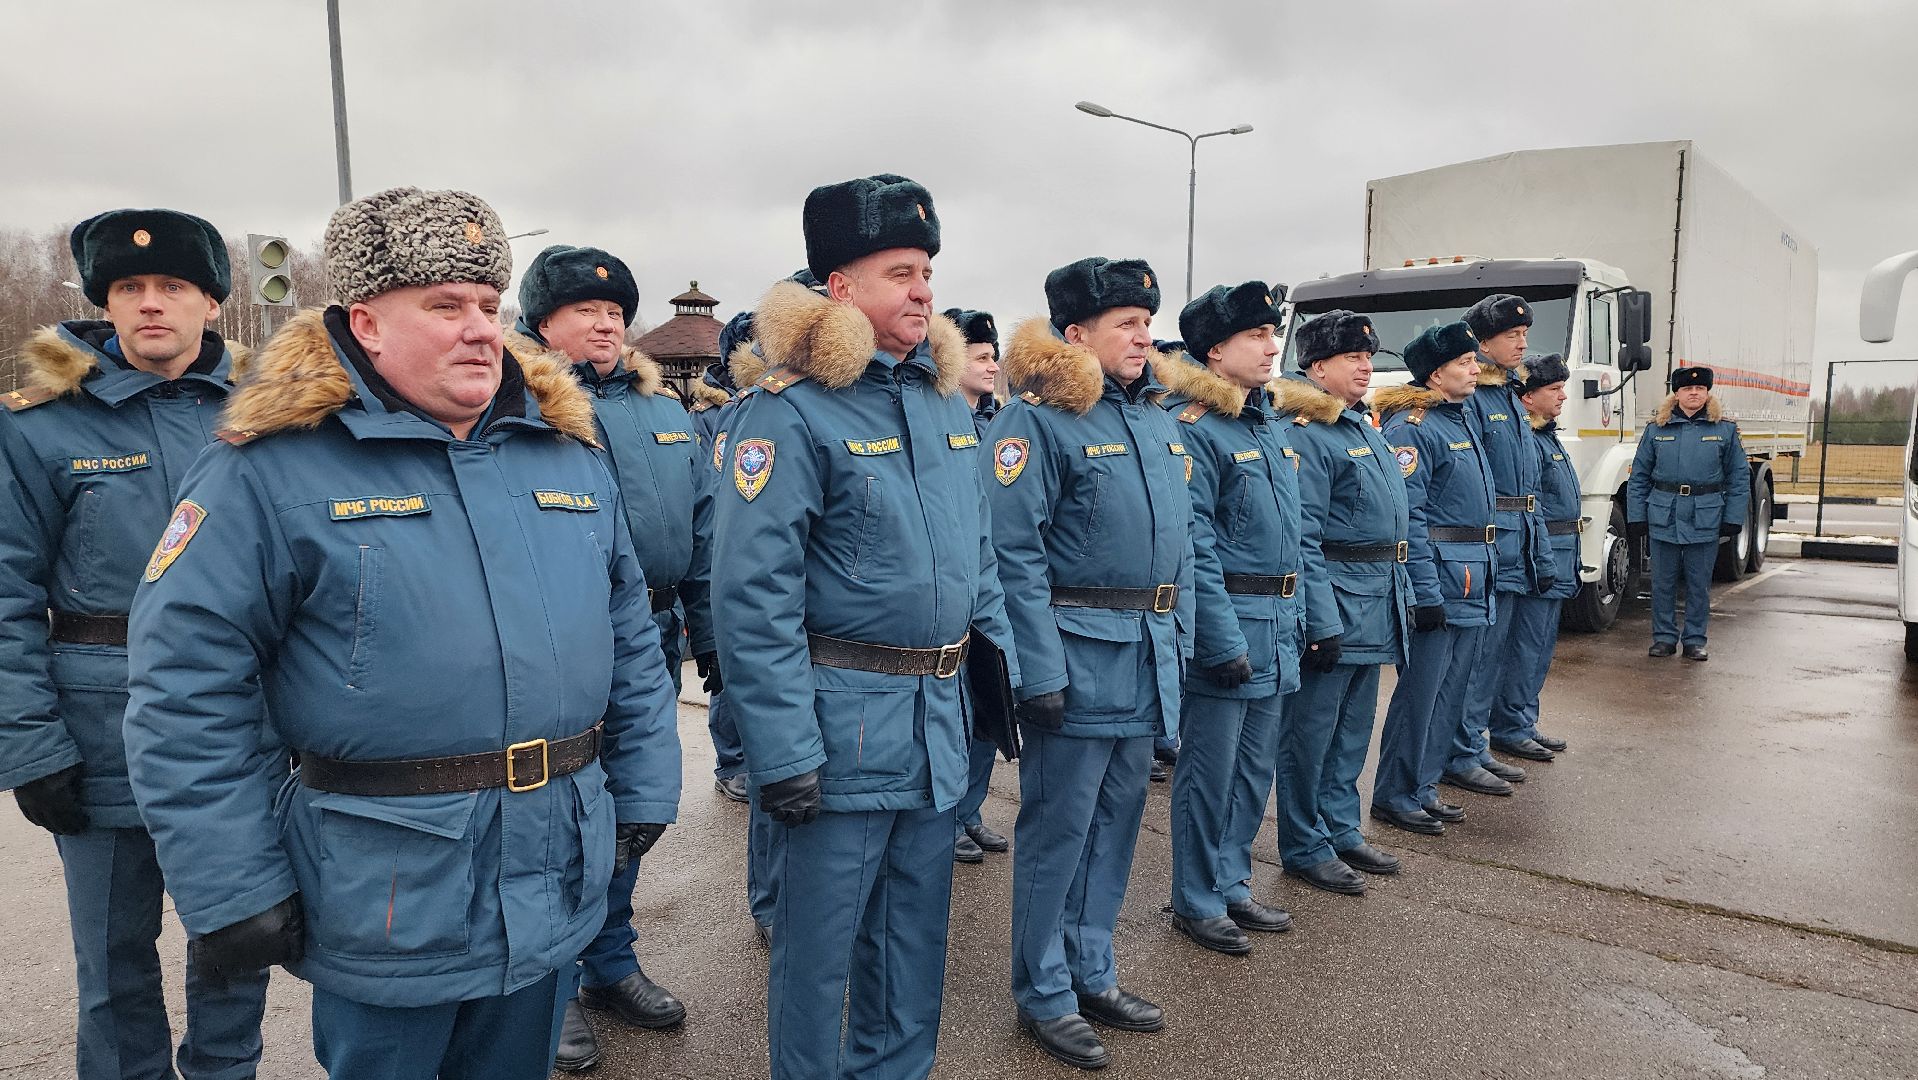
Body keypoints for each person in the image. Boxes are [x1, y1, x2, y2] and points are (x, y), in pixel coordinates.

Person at [121, 187, 683, 1080]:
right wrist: (231, 882)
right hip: (388, 895)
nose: (480, 330)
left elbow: (631, 642)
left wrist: (646, 786)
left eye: (489, 305)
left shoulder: (567, 455)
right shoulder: (267, 467)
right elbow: (184, 686)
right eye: (445, 306)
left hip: (551, 869)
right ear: (367, 324)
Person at [711, 174, 1018, 1080]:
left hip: (936, 722)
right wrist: (781, 751)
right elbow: (753, 597)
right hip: (839, 727)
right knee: (818, 958)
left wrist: (1000, 684)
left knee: (912, 944)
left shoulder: (941, 402)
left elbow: (979, 557)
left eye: (927, 272)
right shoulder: (789, 410)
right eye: (900, 273)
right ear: (841, 287)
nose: (923, 291)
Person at [0, 208, 271, 1080]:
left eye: (173, 286)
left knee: (241, 938)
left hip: (241, 726)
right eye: (129, 287)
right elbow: (5, 593)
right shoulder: (37, 426)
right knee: (114, 961)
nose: (151, 303)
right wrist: (29, 745)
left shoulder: (269, 416)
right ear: (106, 303)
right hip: (100, 731)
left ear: (212, 303)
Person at [992, 257, 1192, 1071]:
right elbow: (1012, 553)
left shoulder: (1156, 420)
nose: (1143, 336)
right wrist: (1037, 671)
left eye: (1147, 323)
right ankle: (1043, 990)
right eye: (1125, 324)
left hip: (1143, 657)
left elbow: (1181, 549)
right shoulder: (1038, 421)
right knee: (1058, 831)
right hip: (1076, 660)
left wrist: (1182, 647)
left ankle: (1091, 969)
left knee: (1116, 824)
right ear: (1076, 334)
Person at [507, 244, 692, 1069]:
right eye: (586, 310)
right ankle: (551, 985)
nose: (607, 323)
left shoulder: (659, 408)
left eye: (616, 312)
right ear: (541, 323)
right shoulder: (523, 407)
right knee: (557, 819)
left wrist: (708, 634)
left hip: (652, 628)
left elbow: (700, 520)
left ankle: (609, 961)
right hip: (563, 639)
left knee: (629, 810)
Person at [1158, 282, 1302, 954]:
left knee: (1253, 768)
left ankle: (1231, 880)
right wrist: (1217, 638)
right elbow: (1196, 544)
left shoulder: (1266, 422)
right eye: (1256, 335)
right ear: (1215, 351)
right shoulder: (1195, 427)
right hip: (1232, 623)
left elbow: (1292, 536)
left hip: (1276, 620)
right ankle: (1196, 896)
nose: (1272, 347)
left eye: (1273, 334)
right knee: (1209, 772)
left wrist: (1301, 618)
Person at [1268, 311, 1413, 895]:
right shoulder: (1307, 432)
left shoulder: (1362, 426)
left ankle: (1340, 827)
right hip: (1337, 601)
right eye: (1351, 357)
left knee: (1352, 730)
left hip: (1374, 599)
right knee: (1311, 735)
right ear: (1316, 367)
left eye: (1368, 356)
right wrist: (1320, 622)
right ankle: (1305, 843)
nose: (1364, 366)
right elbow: (1303, 537)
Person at [1371, 323, 1498, 839]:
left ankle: (1422, 787)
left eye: (1473, 360)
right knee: (1421, 694)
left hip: (1469, 572)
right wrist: (1424, 593)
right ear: (1435, 373)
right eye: (1464, 362)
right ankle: (1395, 794)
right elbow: (1411, 517)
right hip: (1441, 578)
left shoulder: (1457, 420)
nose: (1475, 369)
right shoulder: (1413, 428)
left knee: (1450, 692)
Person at [1451, 294, 1556, 794]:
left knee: (1497, 655)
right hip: (1491, 543)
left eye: (1524, 335)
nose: (1522, 343)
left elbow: (1527, 482)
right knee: (1476, 659)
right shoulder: (1476, 397)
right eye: (1512, 335)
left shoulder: (1510, 395)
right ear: (1483, 342)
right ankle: (1462, 750)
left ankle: (1477, 745)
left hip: (1519, 542)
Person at [943, 306, 1013, 864]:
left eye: (994, 357)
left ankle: (969, 811)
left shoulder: (997, 423)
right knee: (956, 717)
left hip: (993, 583)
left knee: (988, 711)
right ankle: (948, 820)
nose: (991, 366)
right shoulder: (941, 417)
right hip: (953, 588)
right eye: (981, 357)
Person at [1627, 365, 1749, 660]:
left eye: (1700, 388)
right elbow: (1639, 476)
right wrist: (1637, 516)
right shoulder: (1657, 429)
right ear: (1676, 394)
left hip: (1704, 516)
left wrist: (1733, 518)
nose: (1694, 393)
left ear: (1707, 393)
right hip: (1664, 515)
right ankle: (1664, 638)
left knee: (1698, 584)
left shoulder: (1724, 430)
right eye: (1687, 389)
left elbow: (1738, 477)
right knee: (1662, 583)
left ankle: (1695, 639)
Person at [1494, 354, 1583, 741]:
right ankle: (1511, 725)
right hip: (1539, 557)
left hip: (1560, 554)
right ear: (1528, 397)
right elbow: (1533, 507)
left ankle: (1523, 720)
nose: (1563, 396)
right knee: (1525, 648)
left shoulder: (1546, 435)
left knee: (1541, 646)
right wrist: (1543, 558)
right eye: (1554, 389)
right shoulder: (1528, 440)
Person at [691, 307, 753, 805]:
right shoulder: (714, 417)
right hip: (720, 552)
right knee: (728, 670)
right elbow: (714, 489)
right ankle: (731, 762)